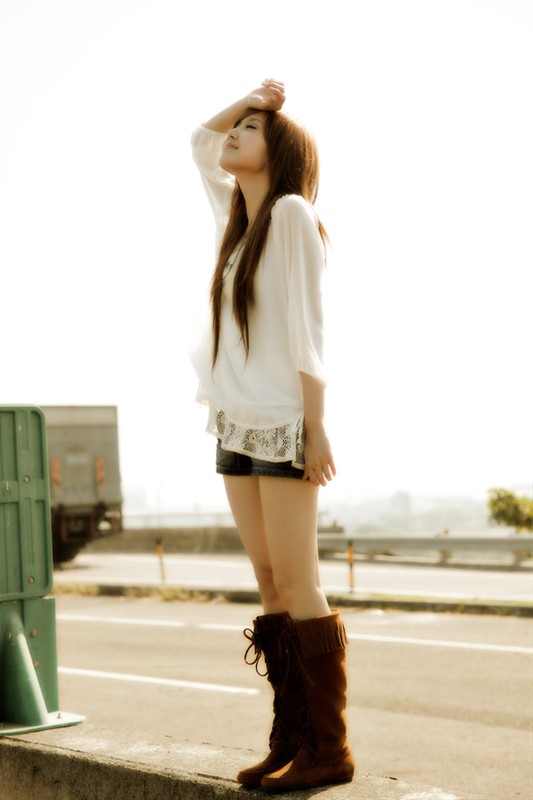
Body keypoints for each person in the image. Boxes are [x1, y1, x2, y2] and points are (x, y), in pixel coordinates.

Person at [189, 79, 355, 792]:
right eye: (240, 124)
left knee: (296, 580)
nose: (234, 133)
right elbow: (200, 141)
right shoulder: (237, 225)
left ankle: (330, 748)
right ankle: (290, 737)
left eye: (252, 128)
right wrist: (249, 97)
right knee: (265, 579)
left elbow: (309, 329)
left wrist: (316, 427)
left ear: (281, 151)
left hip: (284, 423)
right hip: (236, 422)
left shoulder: (290, 213)